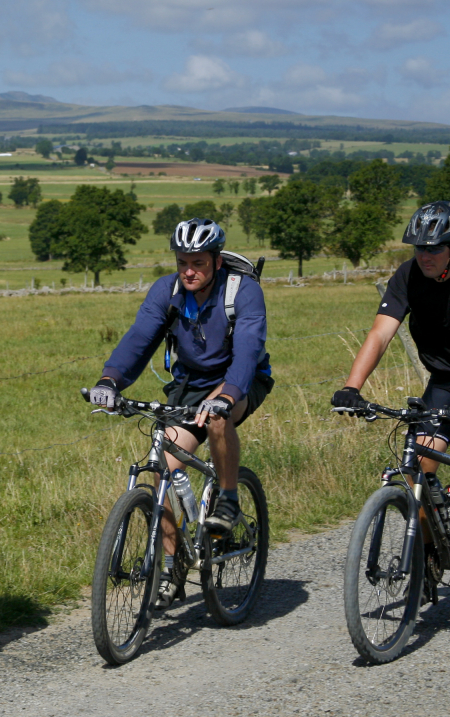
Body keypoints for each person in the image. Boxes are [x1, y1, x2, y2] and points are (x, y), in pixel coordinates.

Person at [88, 217, 273, 606]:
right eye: (183, 261)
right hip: (189, 384)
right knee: (164, 464)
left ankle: (228, 497)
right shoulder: (167, 291)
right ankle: (172, 565)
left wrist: (227, 394)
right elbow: (139, 338)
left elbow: (247, 351)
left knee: (219, 417)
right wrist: (109, 381)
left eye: (199, 263)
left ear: (216, 262)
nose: (189, 270)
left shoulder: (244, 291)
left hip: (240, 378)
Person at [332, 201, 450, 530]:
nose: (425, 256)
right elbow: (380, 335)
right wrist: (352, 387)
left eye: (435, 249)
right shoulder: (408, 277)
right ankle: (428, 562)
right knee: (418, 470)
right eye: (420, 247)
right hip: (446, 379)